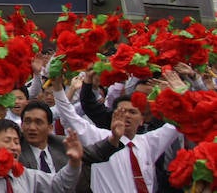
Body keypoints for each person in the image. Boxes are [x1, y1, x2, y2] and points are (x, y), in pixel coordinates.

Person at [52, 74, 181, 193]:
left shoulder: (148, 142)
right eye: (121, 111)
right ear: (113, 115)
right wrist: (58, 88)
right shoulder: (98, 137)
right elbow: (68, 114)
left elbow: (180, 121)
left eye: (132, 112)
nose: (126, 116)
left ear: (142, 119)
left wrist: (181, 92)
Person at [18, 99, 122, 193]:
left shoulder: (62, 144)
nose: (31, 127)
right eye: (27, 122)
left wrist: (114, 137)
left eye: (38, 122)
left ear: (50, 128)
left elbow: (94, 152)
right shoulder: (16, 151)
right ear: (21, 126)